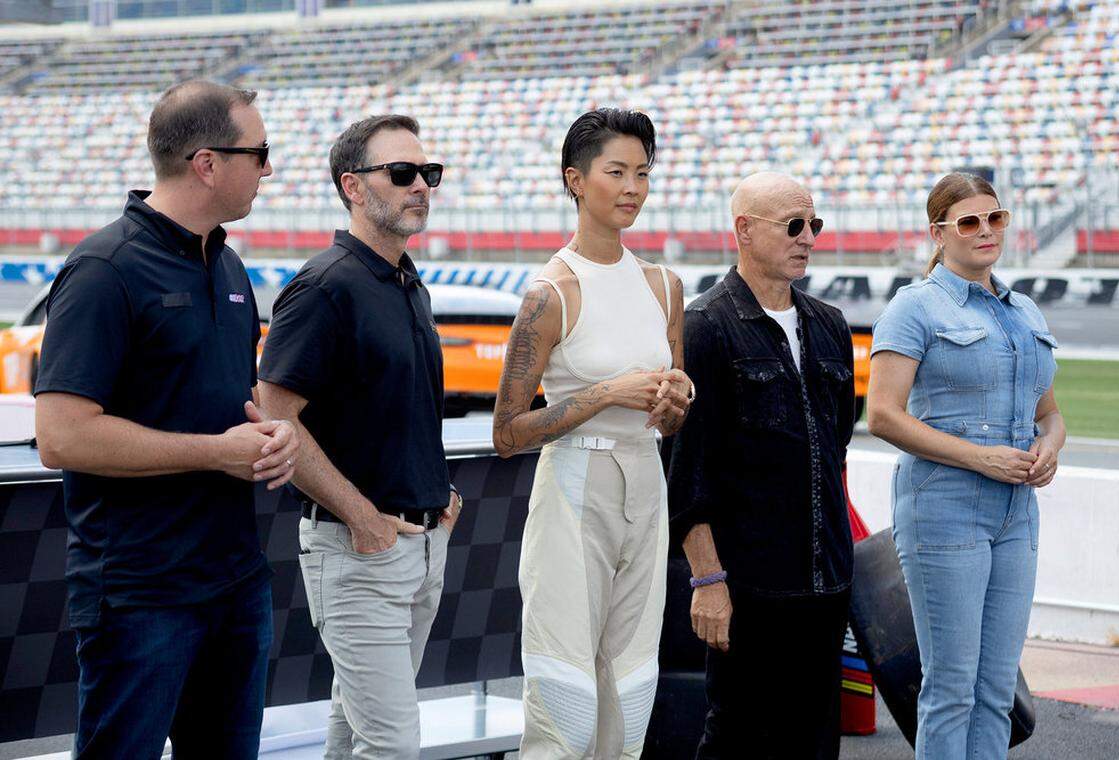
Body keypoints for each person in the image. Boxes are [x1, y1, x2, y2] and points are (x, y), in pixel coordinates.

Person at [33, 79, 296, 759]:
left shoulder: (230, 263)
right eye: (259, 152)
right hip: (141, 591)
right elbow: (60, 436)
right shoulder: (103, 269)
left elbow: (226, 401)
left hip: (234, 580)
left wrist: (272, 436)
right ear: (207, 163)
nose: (269, 168)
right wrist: (217, 451)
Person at [256, 114, 461, 760]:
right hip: (357, 550)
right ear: (353, 186)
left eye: (429, 174)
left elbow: (403, 411)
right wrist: (362, 516)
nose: (421, 186)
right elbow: (273, 417)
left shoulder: (407, 282)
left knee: (354, 737)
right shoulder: (323, 288)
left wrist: (440, 495)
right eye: (402, 174)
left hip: (420, 543)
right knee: (392, 745)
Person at [492, 108, 692, 758]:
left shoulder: (665, 285)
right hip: (574, 491)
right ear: (575, 180)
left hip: (646, 488)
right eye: (617, 172)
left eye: (643, 172)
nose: (632, 187)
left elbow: (668, 414)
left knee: (631, 703)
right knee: (565, 710)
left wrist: (676, 398)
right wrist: (601, 394)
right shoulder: (550, 293)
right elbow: (507, 433)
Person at [867, 172, 1065, 758]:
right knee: (951, 688)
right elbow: (881, 415)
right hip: (943, 511)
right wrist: (981, 457)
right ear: (939, 232)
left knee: (996, 690)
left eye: (994, 218)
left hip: (1017, 516)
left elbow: (1050, 413)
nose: (986, 231)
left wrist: (1050, 446)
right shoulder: (914, 307)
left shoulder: (1024, 309)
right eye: (969, 222)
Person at [668, 172, 855, 759]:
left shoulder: (830, 324)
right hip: (747, 587)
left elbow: (836, 447)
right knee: (738, 737)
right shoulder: (704, 326)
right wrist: (708, 581)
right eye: (794, 226)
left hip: (826, 582)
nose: (808, 238)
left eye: (815, 225)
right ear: (744, 231)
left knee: (817, 740)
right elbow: (686, 470)